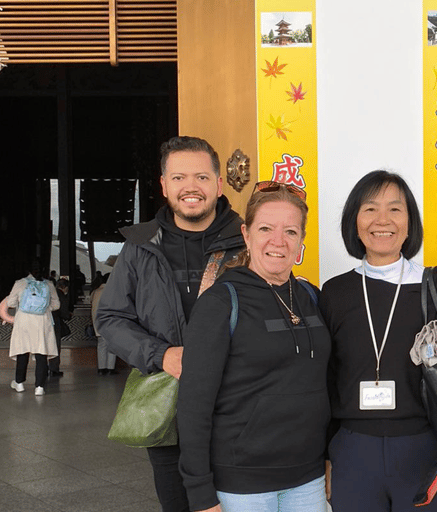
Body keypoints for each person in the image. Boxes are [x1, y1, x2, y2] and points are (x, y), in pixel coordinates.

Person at [320, 170, 437, 511]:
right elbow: (325, 377)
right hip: (352, 451)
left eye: (395, 209)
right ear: (354, 221)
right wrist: (323, 454)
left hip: (424, 447)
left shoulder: (435, 284)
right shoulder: (335, 292)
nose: (382, 220)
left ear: (410, 222)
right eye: (370, 209)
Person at [96, 136, 245, 512]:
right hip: (170, 407)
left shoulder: (247, 240)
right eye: (179, 178)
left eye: (201, 177)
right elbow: (110, 317)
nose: (190, 187)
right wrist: (162, 355)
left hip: (239, 405)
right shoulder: (141, 247)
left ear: (218, 183)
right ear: (164, 185)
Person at [178, 182, 331, 512]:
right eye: (266, 228)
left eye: (290, 231)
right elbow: (193, 406)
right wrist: (200, 493)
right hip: (242, 487)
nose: (278, 241)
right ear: (247, 235)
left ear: (301, 241)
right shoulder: (221, 302)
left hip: (308, 480)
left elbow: (326, 386)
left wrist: (331, 456)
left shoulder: (311, 297)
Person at [4, 261, 60, 396]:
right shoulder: (49, 284)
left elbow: (11, 303)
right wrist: (45, 309)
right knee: (41, 353)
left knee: (22, 351)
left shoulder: (20, 283)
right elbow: (57, 305)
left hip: (24, 321)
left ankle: (19, 383)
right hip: (42, 321)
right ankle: (39, 386)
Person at [91, 273, 117, 375]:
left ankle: (101, 369)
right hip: (110, 322)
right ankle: (110, 368)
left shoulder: (95, 291)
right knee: (111, 345)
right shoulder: (112, 291)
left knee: (101, 345)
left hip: (97, 323)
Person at [49, 278, 72, 377]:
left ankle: (44, 367)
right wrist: (68, 316)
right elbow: (63, 310)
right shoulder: (60, 295)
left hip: (46, 322)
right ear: (64, 287)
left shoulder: (50, 293)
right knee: (55, 346)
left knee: (46, 345)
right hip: (55, 323)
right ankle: (54, 369)